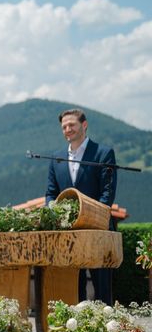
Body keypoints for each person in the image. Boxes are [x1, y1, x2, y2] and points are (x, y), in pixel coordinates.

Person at [45, 108, 117, 305]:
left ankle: (106, 331)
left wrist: (93, 218)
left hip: (98, 231)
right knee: (72, 288)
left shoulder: (103, 153)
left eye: (72, 125)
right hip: (68, 235)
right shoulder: (56, 158)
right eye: (64, 127)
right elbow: (51, 193)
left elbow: (107, 194)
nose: (68, 129)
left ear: (84, 125)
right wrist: (53, 213)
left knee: (102, 288)